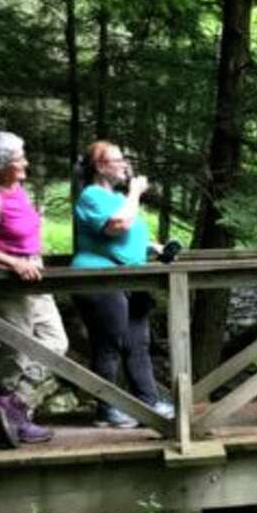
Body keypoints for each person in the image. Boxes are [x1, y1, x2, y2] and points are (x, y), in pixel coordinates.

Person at [0, 130, 68, 448]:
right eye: (18, 157)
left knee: (55, 341)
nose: (25, 162)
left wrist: (29, 260)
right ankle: (16, 418)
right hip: (8, 279)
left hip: (32, 274)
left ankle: (16, 405)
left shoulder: (18, 190)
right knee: (18, 347)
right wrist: (14, 263)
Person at [71, 140, 175, 428]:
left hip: (129, 278)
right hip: (98, 278)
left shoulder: (119, 199)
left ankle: (147, 403)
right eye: (118, 160)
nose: (125, 165)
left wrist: (152, 248)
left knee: (137, 343)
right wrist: (135, 193)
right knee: (109, 343)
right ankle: (107, 410)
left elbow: (125, 240)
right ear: (101, 166)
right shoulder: (91, 195)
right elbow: (116, 226)